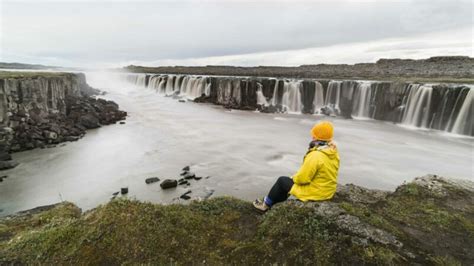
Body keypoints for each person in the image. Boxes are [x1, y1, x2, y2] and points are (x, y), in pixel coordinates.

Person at [253, 121, 340, 212]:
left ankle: (265, 205)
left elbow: (303, 179)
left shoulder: (315, 155)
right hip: (328, 191)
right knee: (289, 182)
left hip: (317, 193)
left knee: (282, 181)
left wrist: (293, 178)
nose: (312, 136)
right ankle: (274, 203)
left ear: (316, 137)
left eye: (314, 135)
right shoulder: (333, 151)